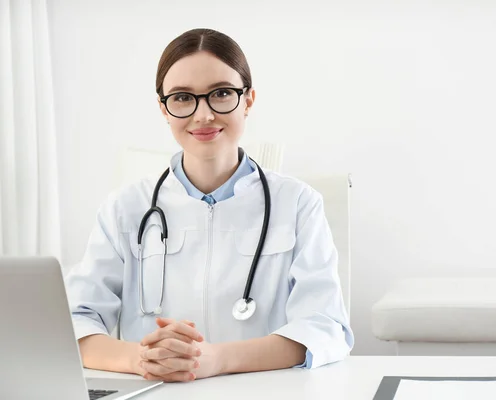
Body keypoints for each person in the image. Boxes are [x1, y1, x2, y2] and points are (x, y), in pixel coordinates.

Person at [64, 28, 353, 383]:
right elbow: (73, 325)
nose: (203, 115)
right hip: (157, 392)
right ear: (164, 109)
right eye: (183, 98)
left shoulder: (298, 204)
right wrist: (141, 358)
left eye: (221, 93)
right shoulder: (124, 209)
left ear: (248, 100)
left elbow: (324, 327)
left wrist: (216, 359)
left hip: (265, 391)